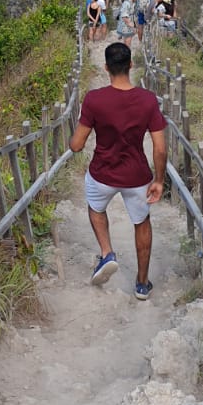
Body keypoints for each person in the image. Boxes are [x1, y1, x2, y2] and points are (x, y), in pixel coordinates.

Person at [68, 41, 167, 300]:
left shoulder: (94, 100)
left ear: (106, 68)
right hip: (137, 177)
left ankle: (106, 253)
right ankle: (142, 284)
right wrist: (159, 180)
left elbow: (76, 146)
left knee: (95, 207)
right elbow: (159, 148)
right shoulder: (148, 100)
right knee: (141, 222)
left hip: (102, 173)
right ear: (131, 65)